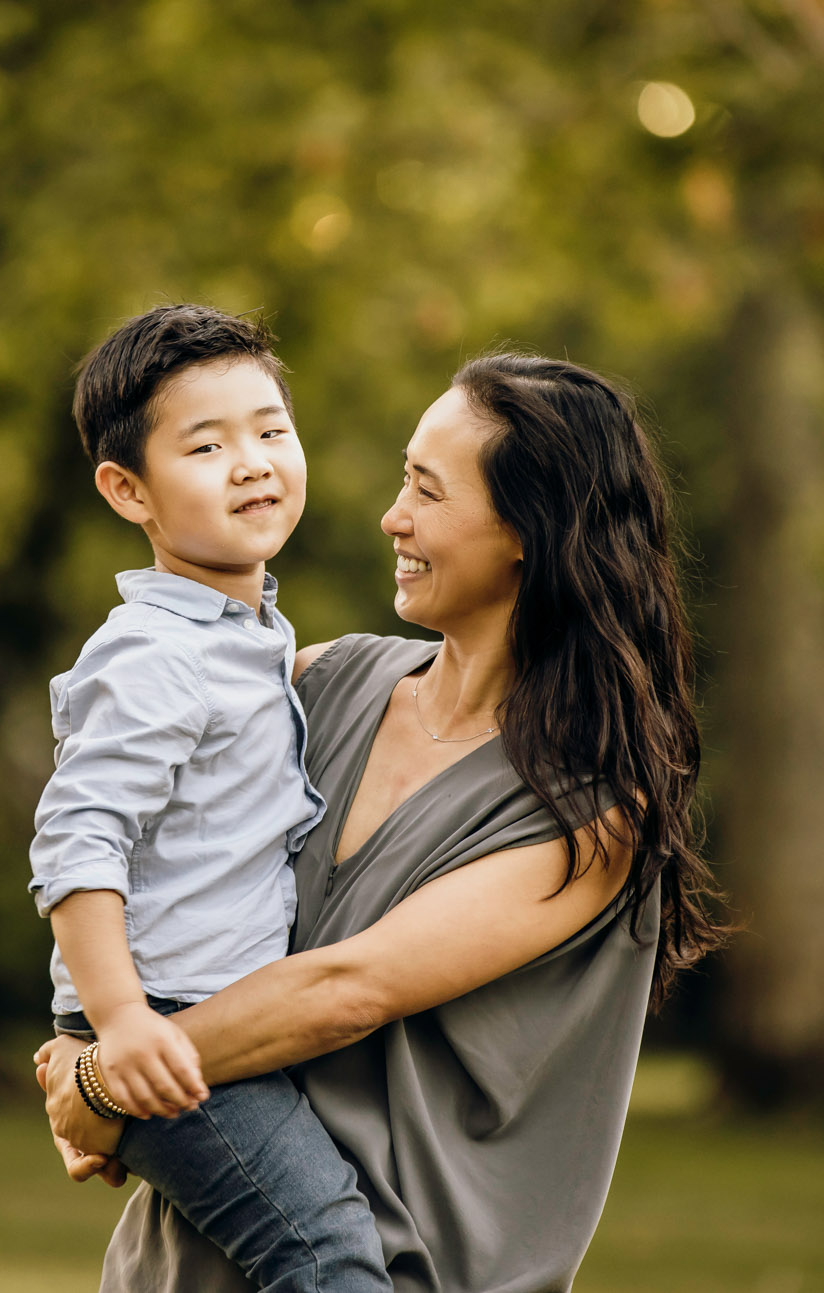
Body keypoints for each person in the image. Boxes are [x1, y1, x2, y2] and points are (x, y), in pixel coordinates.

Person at [38, 353, 730, 1293]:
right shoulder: (313, 686)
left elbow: (344, 990)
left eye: (427, 490)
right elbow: (114, 832)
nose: (391, 515)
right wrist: (99, 1033)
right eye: (404, 476)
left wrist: (104, 1081)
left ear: (531, 531)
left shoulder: (592, 812)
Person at [28, 303, 392, 1292]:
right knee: (327, 1256)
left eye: (270, 429)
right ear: (125, 488)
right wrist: (122, 1023)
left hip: (204, 1017)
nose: (252, 461)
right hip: (172, 1026)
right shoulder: (156, 652)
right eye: (205, 444)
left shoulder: (249, 634)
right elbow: (76, 841)